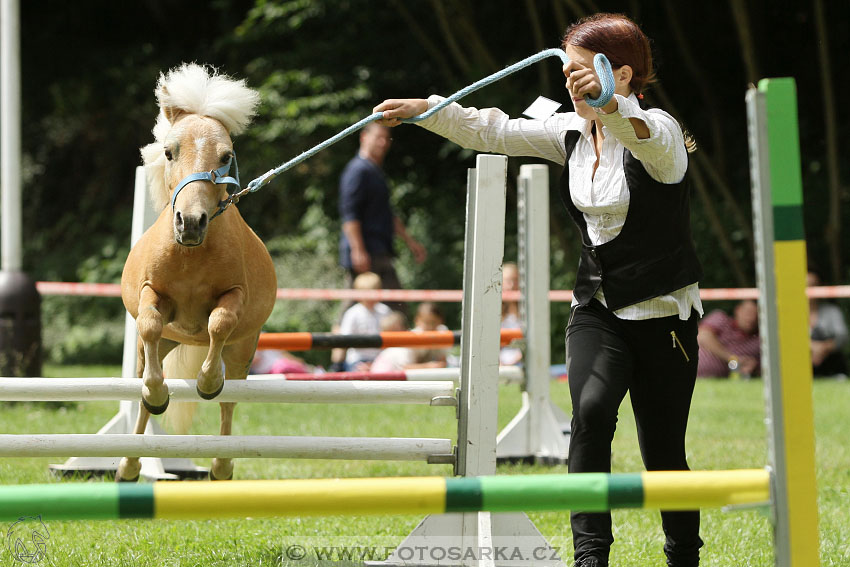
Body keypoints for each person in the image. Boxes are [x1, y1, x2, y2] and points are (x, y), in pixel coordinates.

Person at [374, 13, 704, 567]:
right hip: (597, 308)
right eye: (568, 73)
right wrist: (427, 111)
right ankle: (590, 556)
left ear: (622, 74)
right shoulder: (568, 133)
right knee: (591, 415)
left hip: (665, 313)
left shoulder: (660, 131)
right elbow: (493, 129)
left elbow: (639, 133)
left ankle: (683, 556)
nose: (571, 84)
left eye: (585, 74)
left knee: (664, 451)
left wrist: (609, 104)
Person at [338, 122, 426, 314]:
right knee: (357, 312)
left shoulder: (375, 171)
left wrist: (411, 242)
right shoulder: (358, 171)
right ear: (364, 137)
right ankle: (337, 344)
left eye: (387, 138)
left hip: (380, 251)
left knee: (392, 309)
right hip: (366, 255)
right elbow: (350, 214)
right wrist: (358, 250)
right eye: (378, 137)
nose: (383, 143)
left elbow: (388, 214)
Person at [338, 271, 392, 371]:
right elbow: (344, 339)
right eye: (367, 293)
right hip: (358, 359)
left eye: (374, 292)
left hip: (381, 358)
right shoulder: (352, 313)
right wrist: (338, 363)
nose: (370, 297)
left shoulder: (385, 311)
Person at [696, 300, 760, 378]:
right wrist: (732, 358)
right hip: (690, 371)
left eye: (756, 315)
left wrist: (752, 368)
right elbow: (703, 336)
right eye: (749, 313)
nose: (752, 318)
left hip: (719, 380)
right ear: (738, 310)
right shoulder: (720, 318)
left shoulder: (758, 341)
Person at [808, 270, 848, 378]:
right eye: (806, 286)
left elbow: (843, 337)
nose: (810, 290)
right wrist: (811, 346)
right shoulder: (792, 314)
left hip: (831, 361)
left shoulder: (832, 311)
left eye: (813, 286)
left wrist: (824, 348)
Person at [500, 262, 523, 366]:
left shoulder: (526, 310)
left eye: (515, 280)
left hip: (520, 362)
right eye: (508, 281)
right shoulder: (493, 310)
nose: (512, 285)